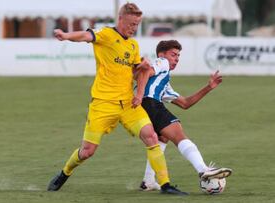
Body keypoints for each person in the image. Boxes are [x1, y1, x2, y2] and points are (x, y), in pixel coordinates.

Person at [47, 3, 187, 195]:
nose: (134, 28)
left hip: (128, 104)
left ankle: (165, 185)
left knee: (151, 136)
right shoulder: (105, 34)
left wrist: (142, 70)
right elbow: (85, 36)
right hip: (103, 104)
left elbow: (138, 72)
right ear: (121, 19)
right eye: (131, 23)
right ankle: (65, 172)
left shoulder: (133, 45)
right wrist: (66, 35)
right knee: (87, 151)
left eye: (137, 24)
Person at [134, 40, 232, 191]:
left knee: (163, 137)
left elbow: (185, 103)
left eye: (178, 56)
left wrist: (209, 87)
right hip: (149, 103)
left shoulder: (163, 82)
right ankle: (203, 170)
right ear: (162, 54)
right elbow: (146, 71)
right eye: (173, 55)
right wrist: (140, 94)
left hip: (143, 106)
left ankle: (148, 181)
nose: (176, 59)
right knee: (178, 133)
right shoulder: (162, 62)